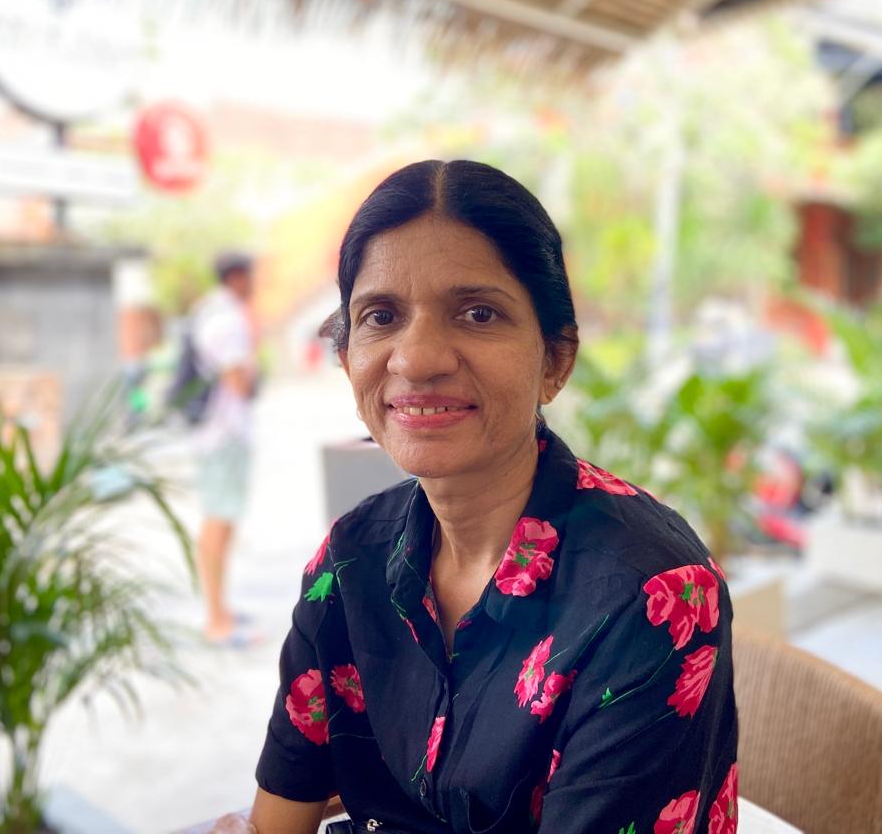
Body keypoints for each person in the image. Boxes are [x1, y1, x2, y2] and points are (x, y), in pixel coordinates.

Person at [220, 161, 737, 834]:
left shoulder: (650, 595)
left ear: (555, 361)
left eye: (478, 313)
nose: (417, 359)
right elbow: (278, 818)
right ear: (347, 358)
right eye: (381, 316)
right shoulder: (351, 562)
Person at [193, 251, 259, 644]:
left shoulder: (209, 311)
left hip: (214, 433)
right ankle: (217, 620)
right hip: (224, 433)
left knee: (221, 518)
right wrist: (252, 374)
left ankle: (221, 610)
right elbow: (239, 382)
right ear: (236, 277)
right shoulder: (227, 318)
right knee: (217, 520)